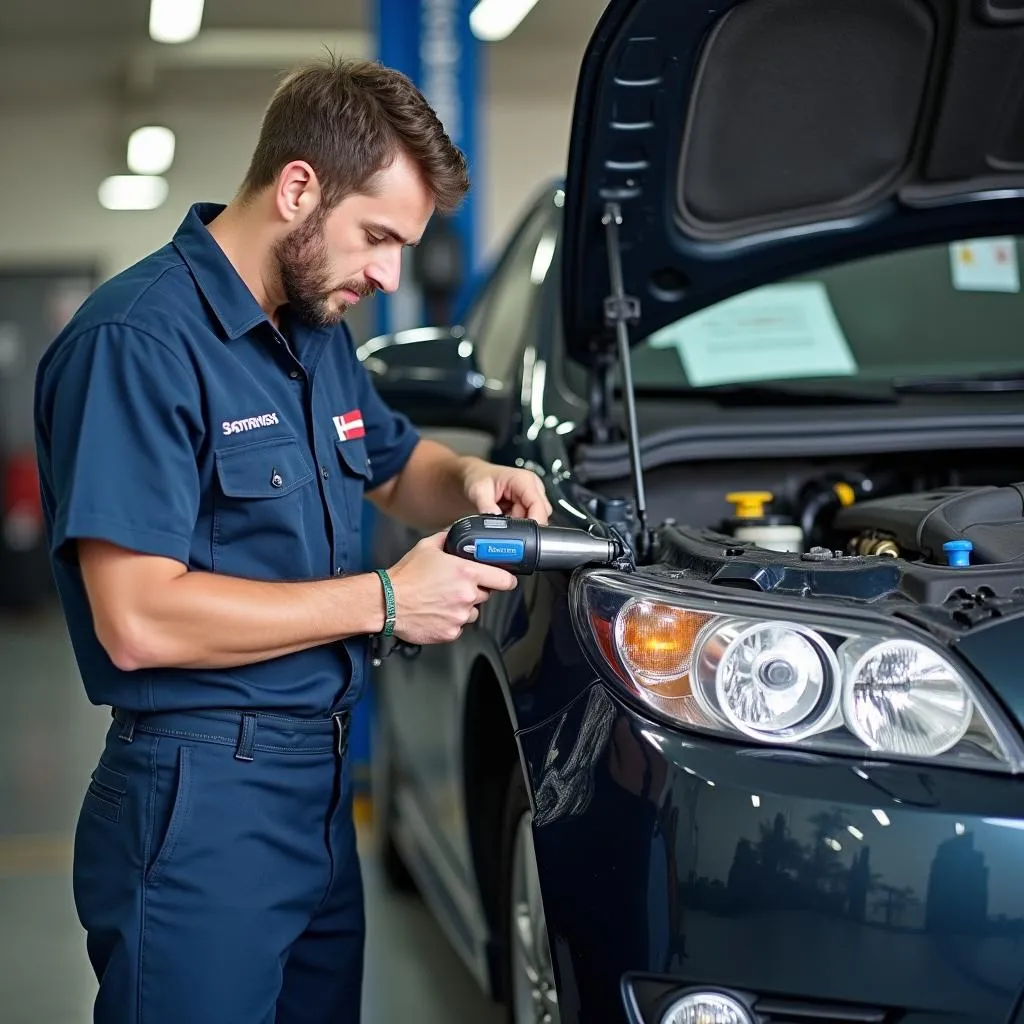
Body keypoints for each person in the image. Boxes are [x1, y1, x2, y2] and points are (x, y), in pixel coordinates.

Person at [33, 54, 551, 1024]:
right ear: (299, 187)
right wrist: (390, 600)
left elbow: (397, 463)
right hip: (199, 802)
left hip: (317, 788)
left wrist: (472, 479)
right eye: (378, 237)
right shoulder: (138, 344)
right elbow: (136, 619)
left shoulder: (313, 333)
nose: (390, 273)